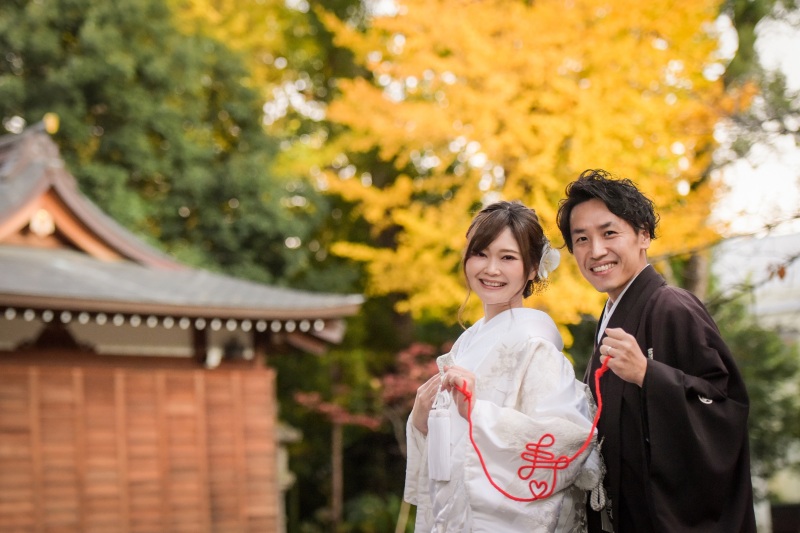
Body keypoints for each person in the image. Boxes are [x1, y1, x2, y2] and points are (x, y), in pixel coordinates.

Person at [556, 169, 757, 533]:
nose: (595, 251)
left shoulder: (672, 307)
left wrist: (650, 375)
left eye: (609, 232)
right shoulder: (612, 314)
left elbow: (726, 408)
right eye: (581, 239)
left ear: (643, 235)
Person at [404, 200, 604, 532]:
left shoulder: (535, 343)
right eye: (480, 254)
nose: (491, 269)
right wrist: (422, 420)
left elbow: (570, 442)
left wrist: (478, 415)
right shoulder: (467, 343)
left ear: (531, 268)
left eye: (507, 257)